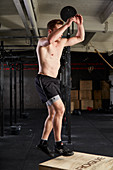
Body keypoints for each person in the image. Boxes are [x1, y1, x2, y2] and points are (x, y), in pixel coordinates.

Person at [35, 14, 85, 157]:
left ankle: (43, 143)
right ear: (51, 31)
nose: (61, 34)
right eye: (59, 30)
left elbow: (80, 38)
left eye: (62, 32)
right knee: (61, 110)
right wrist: (67, 24)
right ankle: (59, 145)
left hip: (54, 81)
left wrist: (80, 24)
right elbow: (50, 40)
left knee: (53, 114)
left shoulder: (62, 42)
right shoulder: (43, 41)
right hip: (44, 80)